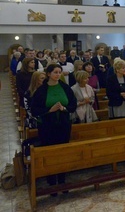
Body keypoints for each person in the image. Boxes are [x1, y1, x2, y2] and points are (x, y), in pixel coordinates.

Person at [31, 64, 77, 195]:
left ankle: (62, 180)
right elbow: (34, 110)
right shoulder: (41, 90)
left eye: (59, 72)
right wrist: (49, 110)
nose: (58, 74)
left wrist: (64, 109)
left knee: (62, 150)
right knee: (50, 152)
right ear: (49, 74)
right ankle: (51, 181)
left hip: (63, 124)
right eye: (55, 72)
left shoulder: (65, 87)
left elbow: (73, 104)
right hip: (47, 126)